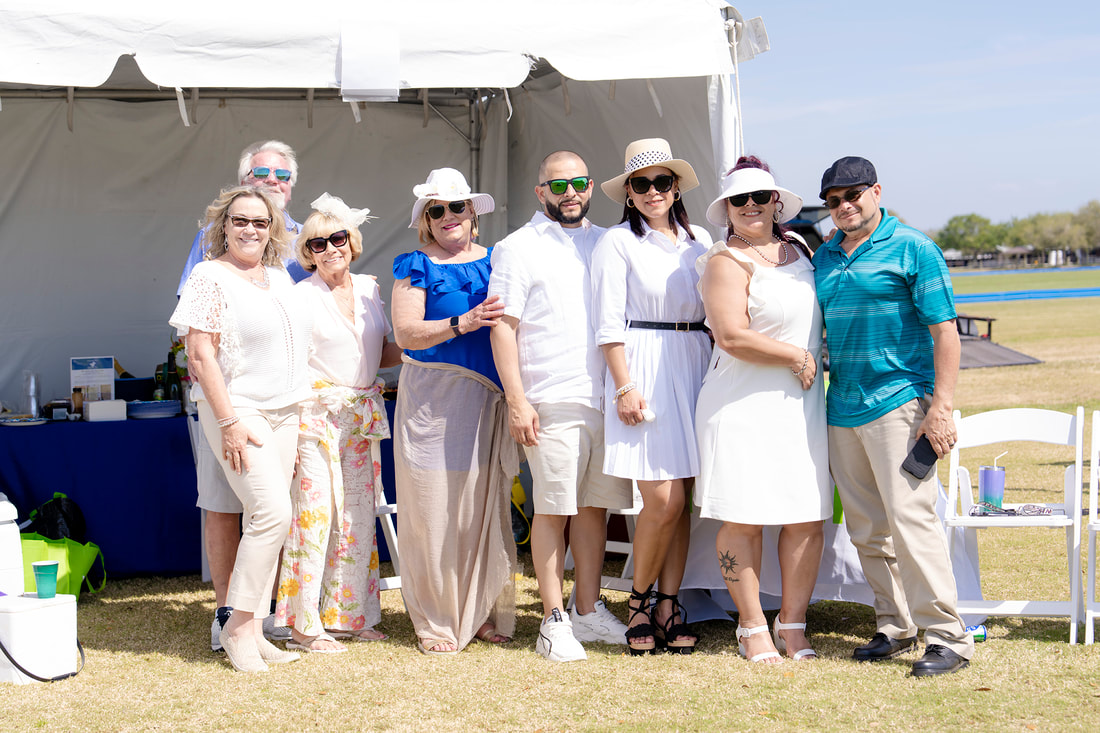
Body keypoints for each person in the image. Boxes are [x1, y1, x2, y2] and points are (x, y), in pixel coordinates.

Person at [813, 156, 972, 677]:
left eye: (853, 194)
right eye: (834, 200)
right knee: (865, 528)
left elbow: (946, 333)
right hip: (842, 406)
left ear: (876, 192)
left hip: (900, 403)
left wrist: (939, 408)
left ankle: (948, 637)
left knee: (911, 521)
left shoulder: (914, 248)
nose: (844, 206)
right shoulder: (824, 256)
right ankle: (895, 624)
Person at [488, 151, 633, 662]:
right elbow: (502, 328)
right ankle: (552, 621)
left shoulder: (609, 242)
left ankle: (587, 610)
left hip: (605, 399)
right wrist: (517, 400)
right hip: (549, 397)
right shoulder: (517, 247)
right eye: (558, 185)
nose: (569, 192)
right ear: (540, 191)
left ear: (591, 186)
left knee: (594, 510)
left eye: (579, 183)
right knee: (552, 510)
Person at [694, 158, 831, 663]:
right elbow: (731, 336)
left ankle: (792, 624)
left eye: (760, 197)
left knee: (806, 516)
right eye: (739, 199)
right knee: (743, 516)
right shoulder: (724, 261)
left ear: (777, 202)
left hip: (801, 404)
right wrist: (796, 356)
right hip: (740, 403)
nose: (750, 206)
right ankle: (751, 626)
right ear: (727, 209)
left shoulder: (802, 250)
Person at [170, 186, 313, 672]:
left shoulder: (280, 277)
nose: (250, 229)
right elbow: (199, 354)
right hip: (239, 410)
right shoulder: (209, 276)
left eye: (259, 221)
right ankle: (234, 626)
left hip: (285, 411)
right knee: (270, 511)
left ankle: (254, 629)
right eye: (240, 220)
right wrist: (228, 421)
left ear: (273, 228)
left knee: (269, 518)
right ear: (224, 226)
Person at [591, 138, 713, 655]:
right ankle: (638, 601)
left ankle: (669, 604)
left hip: (696, 362)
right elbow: (607, 323)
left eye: (661, 181)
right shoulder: (617, 242)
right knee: (662, 498)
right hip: (642, 364)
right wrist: (624, 385)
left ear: (676, 186)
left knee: (681, 501)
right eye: (640, 183)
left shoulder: (701, 240)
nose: (652, 191)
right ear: (629, 193)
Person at [390, 168, 518, 655]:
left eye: (456, 206)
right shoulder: (416, 265)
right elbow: (406, 333)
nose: (448, 216)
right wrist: (462, 322)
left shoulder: (499, 260)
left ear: (472, 212)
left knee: (478, 507)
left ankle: (477, 610)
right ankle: (437, 618)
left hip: (488, 398)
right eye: (436, 210)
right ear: (426, 220)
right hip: (434, 397)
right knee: (432, 508)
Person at [274, 194, 402, 653]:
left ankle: (350, 617)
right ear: (307, 252)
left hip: (361, 416)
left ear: (352, 241)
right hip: (315, 416)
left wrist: (428, 341)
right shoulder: (298, 296)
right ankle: (302, 626)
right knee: (315, 517)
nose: (330, 249)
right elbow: (285, 362)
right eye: (318, 243)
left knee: (357, 516)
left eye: (338, 239)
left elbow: (379, 351)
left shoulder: (370, 288)